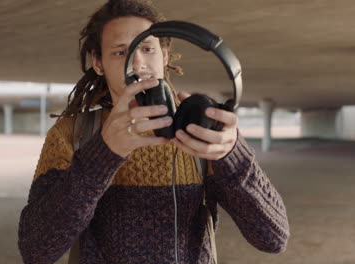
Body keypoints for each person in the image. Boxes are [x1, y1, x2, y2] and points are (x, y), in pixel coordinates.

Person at [18, 0, 290, 263]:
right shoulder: (71, 134)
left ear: (165, 56)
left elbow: (273, 238)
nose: (138, 64)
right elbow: (36, 250)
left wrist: (232, 156)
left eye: (147, 49)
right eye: (120, 52)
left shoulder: (200, 130)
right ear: (98, 63)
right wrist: (103, 154)